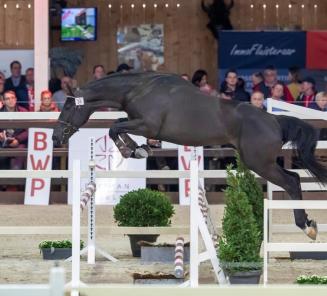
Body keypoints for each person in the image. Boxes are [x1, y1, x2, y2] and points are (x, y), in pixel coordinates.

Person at [0, 91, 28, 171]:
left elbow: (28, 130)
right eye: (7, 99)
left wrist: (18, 140)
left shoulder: (23, 111)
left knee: (16, 164)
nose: (11, 100)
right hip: (2, 143)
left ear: (16, 99)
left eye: (12, 98)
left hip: (19, 143)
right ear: (4, 101)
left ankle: (14, 182)